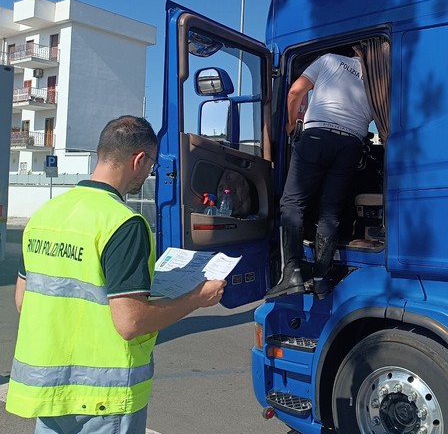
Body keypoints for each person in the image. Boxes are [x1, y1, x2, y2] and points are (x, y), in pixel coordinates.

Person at [6, 115, 226, 433]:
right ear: (138, 159)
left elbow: (23, 300)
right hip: (103, 402)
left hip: (50, 392)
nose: (152, 170)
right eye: (152, 162)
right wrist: (197, 298)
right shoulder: (123, 224)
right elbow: (130, 322)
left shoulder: (45, 215)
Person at [265, 51, 372, 300]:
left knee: (293, 203)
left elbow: (295, 91)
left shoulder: (329, 60)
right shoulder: (375, 76)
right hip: (351, 144)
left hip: (317, 136)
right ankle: (321, 279)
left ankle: (292, 273)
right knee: (330, 212)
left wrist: (292, 123)